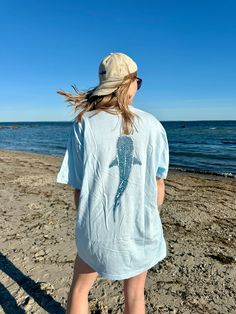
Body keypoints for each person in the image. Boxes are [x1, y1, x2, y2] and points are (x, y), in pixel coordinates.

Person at [56, 52, 169, 314]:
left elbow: (78, 186)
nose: (137, 87)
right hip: (140, 230)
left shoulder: (84, 123)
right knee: (135, 296)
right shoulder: (153, 125)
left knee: (80, 289)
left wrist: (90, 223)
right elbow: (158, 186)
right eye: (137, 81)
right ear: (129, 83)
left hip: (96, 231)